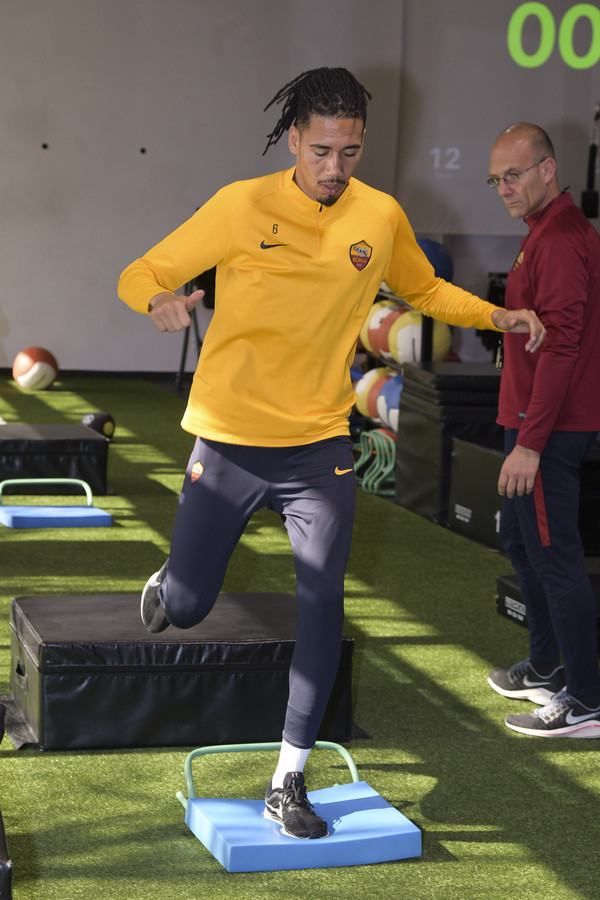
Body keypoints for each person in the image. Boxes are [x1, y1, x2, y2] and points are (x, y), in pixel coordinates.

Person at [118, 68, 544, 838]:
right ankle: (173, 583)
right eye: (321, 151)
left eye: (350, 151)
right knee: (188, 606)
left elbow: (423, 290)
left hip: (318, 447)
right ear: (294, 140)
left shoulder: (377, 215)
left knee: (322, 603)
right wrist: (159, 299)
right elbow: (141, 270)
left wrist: (498, 316)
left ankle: (288, 778)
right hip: (230, 439)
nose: (335, 168)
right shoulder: (240, 205)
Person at [486, 122, 600, 738]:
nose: (504, 188)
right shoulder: (542, 232)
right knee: (521, 541)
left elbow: (561, 348)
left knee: (555, 557)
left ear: (548, 169)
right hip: (528, 420)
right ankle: (548, 666)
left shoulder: (559, 239)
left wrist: (530, 443)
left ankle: (586, 700)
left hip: (548, 430)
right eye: (496, 179)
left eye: (514, 175)